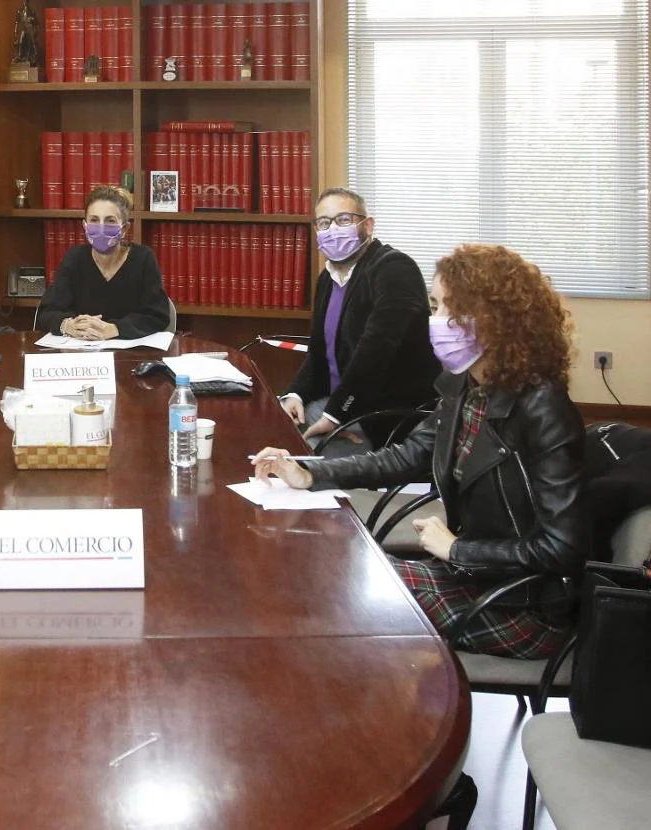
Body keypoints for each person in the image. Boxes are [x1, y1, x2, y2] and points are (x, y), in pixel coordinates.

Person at [254, 243, 588, 660]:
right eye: (435, 306)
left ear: (497, 320)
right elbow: (409, 456)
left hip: (524, 607)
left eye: (452, 309)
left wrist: (456, 549)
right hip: (473, 579)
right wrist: (309, 471)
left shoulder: (543, 406)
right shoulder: (465, 386)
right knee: (323, 576)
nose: (436, 321)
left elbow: (563, 548)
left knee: (336, 597)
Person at [281, 187, 439, 456]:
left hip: (383, 416)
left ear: (368, 225)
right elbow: (318, 354)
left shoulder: (394, 268)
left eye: (343, 220)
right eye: (324, 223)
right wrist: (295, 395)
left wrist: (335, 415)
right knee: (274, 426)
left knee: (302, 460)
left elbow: (377, 349)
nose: (332, 229)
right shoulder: (327, 280)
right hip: (337, 403)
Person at [36, 185, 171, 340]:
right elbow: (47, 312)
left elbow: (157, 316)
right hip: (81, 356)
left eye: (110, 221)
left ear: (125, 228)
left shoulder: (143, 259)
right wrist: (69, 326)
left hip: (131, 356)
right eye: (94, 220)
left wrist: (114, 329)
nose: (101, 227)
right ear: (85, 226)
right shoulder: (74, 259)